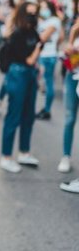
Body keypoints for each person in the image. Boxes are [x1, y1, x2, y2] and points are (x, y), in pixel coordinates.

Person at [0, 2, 42, 173]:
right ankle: (6, 156)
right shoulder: (17, 34)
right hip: (18, 74)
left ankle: (24, 152)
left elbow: (35, 55)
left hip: (30, 75)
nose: (32, 17)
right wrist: (38, 49)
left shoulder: (33, 32)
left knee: (29, 115)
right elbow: (30, 59)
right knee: (14, 115)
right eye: (29, 13)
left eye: (35, 13)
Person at [57, 22, 79, 174]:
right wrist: (72, 36)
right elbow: (71, 61)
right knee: (70, 118)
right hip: (73, 78)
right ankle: (66, 156)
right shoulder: (76, 30)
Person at [36, 1, 62, 120]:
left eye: (44, 7)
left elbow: (43, 37)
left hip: (48, 55)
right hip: (44, 54)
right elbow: (60, 37)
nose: (42, 10)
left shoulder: (54, 21)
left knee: (48, 82)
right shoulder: (46, 21)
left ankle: (47, 109)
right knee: (46, 82)